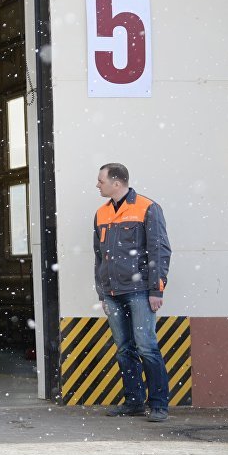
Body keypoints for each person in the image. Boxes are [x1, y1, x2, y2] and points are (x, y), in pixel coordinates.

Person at [94, 163, 172, 422]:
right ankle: (134, 402)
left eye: (101, 181)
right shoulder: (101, 214)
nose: (98, 185)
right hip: (112, 293)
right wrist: (102, 294)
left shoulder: (147, 208)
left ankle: (159, 404)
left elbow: (159, 250)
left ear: (117, 183)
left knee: (147, 347)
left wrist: (156, 290)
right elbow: (99, 256)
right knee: (124, 349)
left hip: (140, 291)